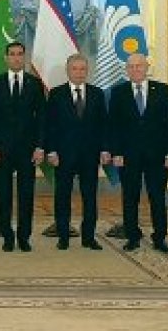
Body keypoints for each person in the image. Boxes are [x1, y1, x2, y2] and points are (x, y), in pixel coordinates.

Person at [109, 53, 168, 254]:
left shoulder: (162, 90)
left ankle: (160, 238)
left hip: (157, 156)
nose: (135, 69)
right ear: (126, 70)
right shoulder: (119, 92)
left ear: (147, 67)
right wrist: (116, 152)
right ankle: (132, 236)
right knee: (130, 197)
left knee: (157, 197)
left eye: (139, 66)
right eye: (131, 66)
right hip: (128, 155)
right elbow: (113, 125)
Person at [0, 41, 45, 252]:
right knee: (4, 195)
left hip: (28, 150)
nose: (16, 58)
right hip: (2, 150)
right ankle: (7, 237)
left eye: (20, 54)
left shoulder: (35, 84)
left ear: (24, 57)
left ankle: (24, 237)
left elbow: (42, 118)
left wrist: (40, 147)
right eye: (12, 54)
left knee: (26, 195)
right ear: (6, 58)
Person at [45, 54, 110, 250]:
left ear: (87, 71)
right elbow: (50, 125)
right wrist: (51, 151)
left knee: (89, 197)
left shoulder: (97, 94)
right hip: (64, 155)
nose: (79, 73)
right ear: (68, 71)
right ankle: (63, 236)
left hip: (90, 155)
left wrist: (105, 149)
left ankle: (88, 237)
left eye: (83, 69)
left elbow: (103, 124)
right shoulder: (56, 94)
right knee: (62, 196)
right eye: (75, 69)